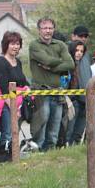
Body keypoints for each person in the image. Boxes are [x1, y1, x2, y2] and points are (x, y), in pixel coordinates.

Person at [29, 17, 73, 151]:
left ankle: (50, 155)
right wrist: (60, 62)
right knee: (41, 124)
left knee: (55, 127)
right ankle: (37, 154)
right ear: (39, 30)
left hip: (58, 91)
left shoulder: (60, 45)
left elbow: (70, 64)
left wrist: (53, 67)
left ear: (54, 29)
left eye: (50, 28)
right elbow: (46, 60)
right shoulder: (34, 45)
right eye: (44, 28)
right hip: (41, 92)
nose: (48, 31)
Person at [0, 31, 28, 151]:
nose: (15, 46)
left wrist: (27, 88)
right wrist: (14, 108)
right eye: (12, 43)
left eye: (17, 44)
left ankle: (14, 156)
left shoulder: (18, 62)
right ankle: (2, 157)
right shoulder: (0, 63)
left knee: (15, 132)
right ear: (6, 45)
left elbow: (23, 81)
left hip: (19, 102)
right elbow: (4, 89)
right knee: (7, 133)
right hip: (6, 103)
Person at [67, 41, 90, 144]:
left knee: (79, 132)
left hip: (84, 100)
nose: (79, 53)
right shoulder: (67, 64)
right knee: (69, 130)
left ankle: (74, 150)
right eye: (77, 50)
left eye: (81, 51)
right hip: (71, 100)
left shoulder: (84, 64)